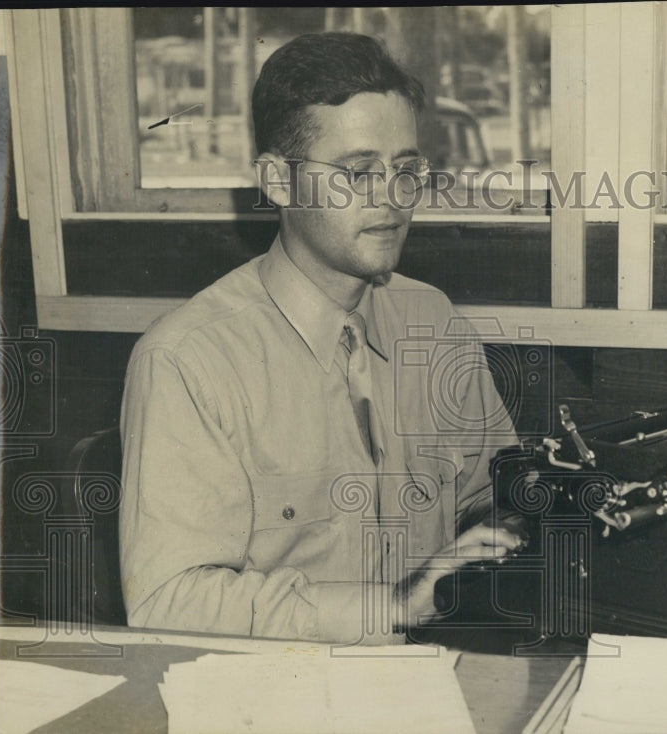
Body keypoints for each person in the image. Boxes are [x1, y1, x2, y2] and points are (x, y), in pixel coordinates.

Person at [119, 32, 525, 644]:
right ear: (277, 181)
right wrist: (391, 606)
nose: (392, 199)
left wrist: (515, 521)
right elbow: (167, 600)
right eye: (358, 173)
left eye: (407, 170)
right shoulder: (187, 360)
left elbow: (488, 497)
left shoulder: (433, 321)